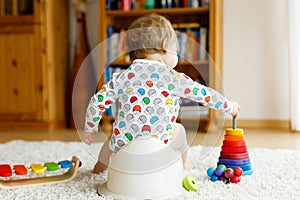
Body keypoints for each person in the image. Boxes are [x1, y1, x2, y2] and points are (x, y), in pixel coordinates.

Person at [83, 13, 240, 173]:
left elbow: (97, 101)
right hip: (160, 144)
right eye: (176, 51)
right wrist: (229, 106)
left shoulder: (123, 77)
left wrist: (90, 127)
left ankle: (100, 167)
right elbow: (205, 95)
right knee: (180, 131)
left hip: (125, 144)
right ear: (166, 45)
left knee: (112, 139)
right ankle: (185, 163)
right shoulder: (175, 78)